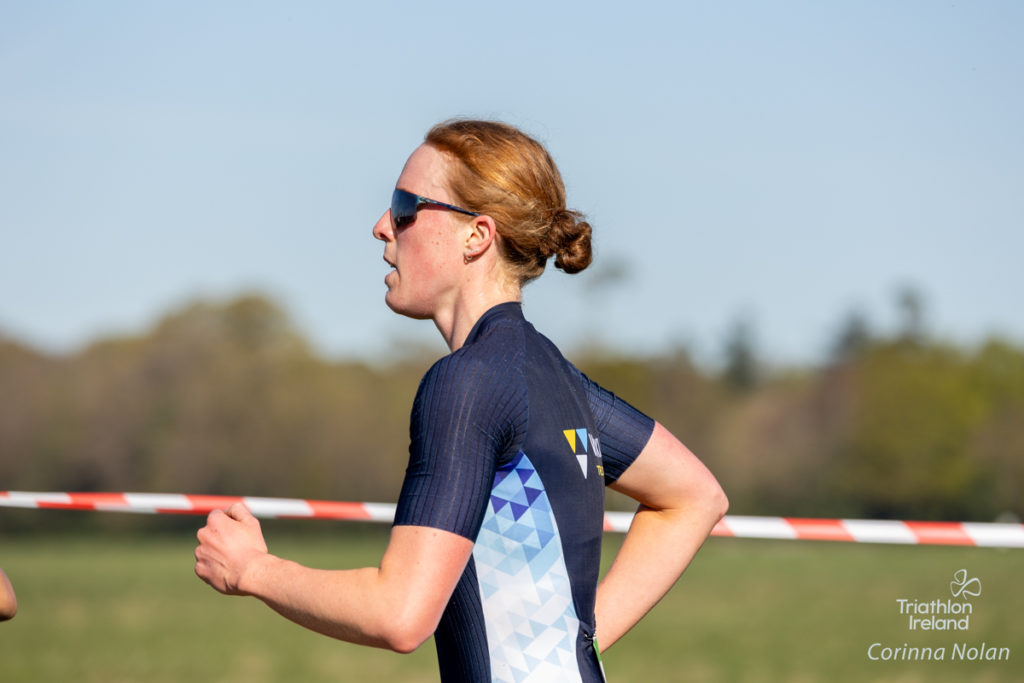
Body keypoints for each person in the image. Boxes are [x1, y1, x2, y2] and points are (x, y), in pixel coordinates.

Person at [195, 119, 728, 682]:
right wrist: (575, 644)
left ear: (476, 236)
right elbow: (696, 496)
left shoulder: (466, 383)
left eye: (405, 208)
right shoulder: (555, 376)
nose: (382, 226)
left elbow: (399, 615)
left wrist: (252, 570)